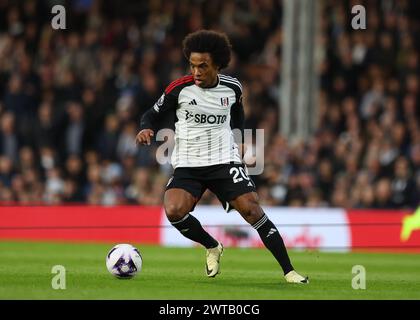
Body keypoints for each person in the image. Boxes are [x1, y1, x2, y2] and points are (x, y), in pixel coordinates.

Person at [136, 30, 308, 284]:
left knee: (252, 210)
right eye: (193, 65)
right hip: (188, 163)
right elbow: (151, 113)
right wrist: (144, 127)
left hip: (223, 160)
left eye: (203, 66)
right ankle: (212, 246)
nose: (196, 71)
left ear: (217, 65)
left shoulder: (233, 87)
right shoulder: (179, 88)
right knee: (173, 210)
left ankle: (289, 271)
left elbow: (238, 113)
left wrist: (238, 141)